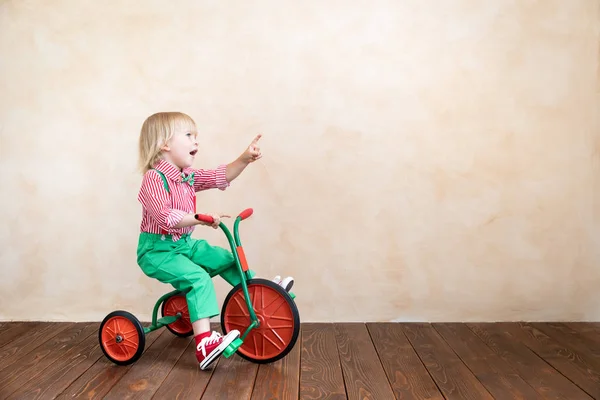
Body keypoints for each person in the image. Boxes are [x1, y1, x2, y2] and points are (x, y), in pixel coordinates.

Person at [135, 111, 294, 370]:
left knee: (226, 259)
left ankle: (258, 293)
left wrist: (244, 160)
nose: (196, 141)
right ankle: (204, 345)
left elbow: (219, 177)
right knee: (198, 279)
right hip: (157, 250)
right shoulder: (154, 179)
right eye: (188, 135)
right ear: (165, 144)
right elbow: (165, 217)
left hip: (183, 245)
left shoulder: (186, 176)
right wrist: (198, 218)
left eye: (195, 135)